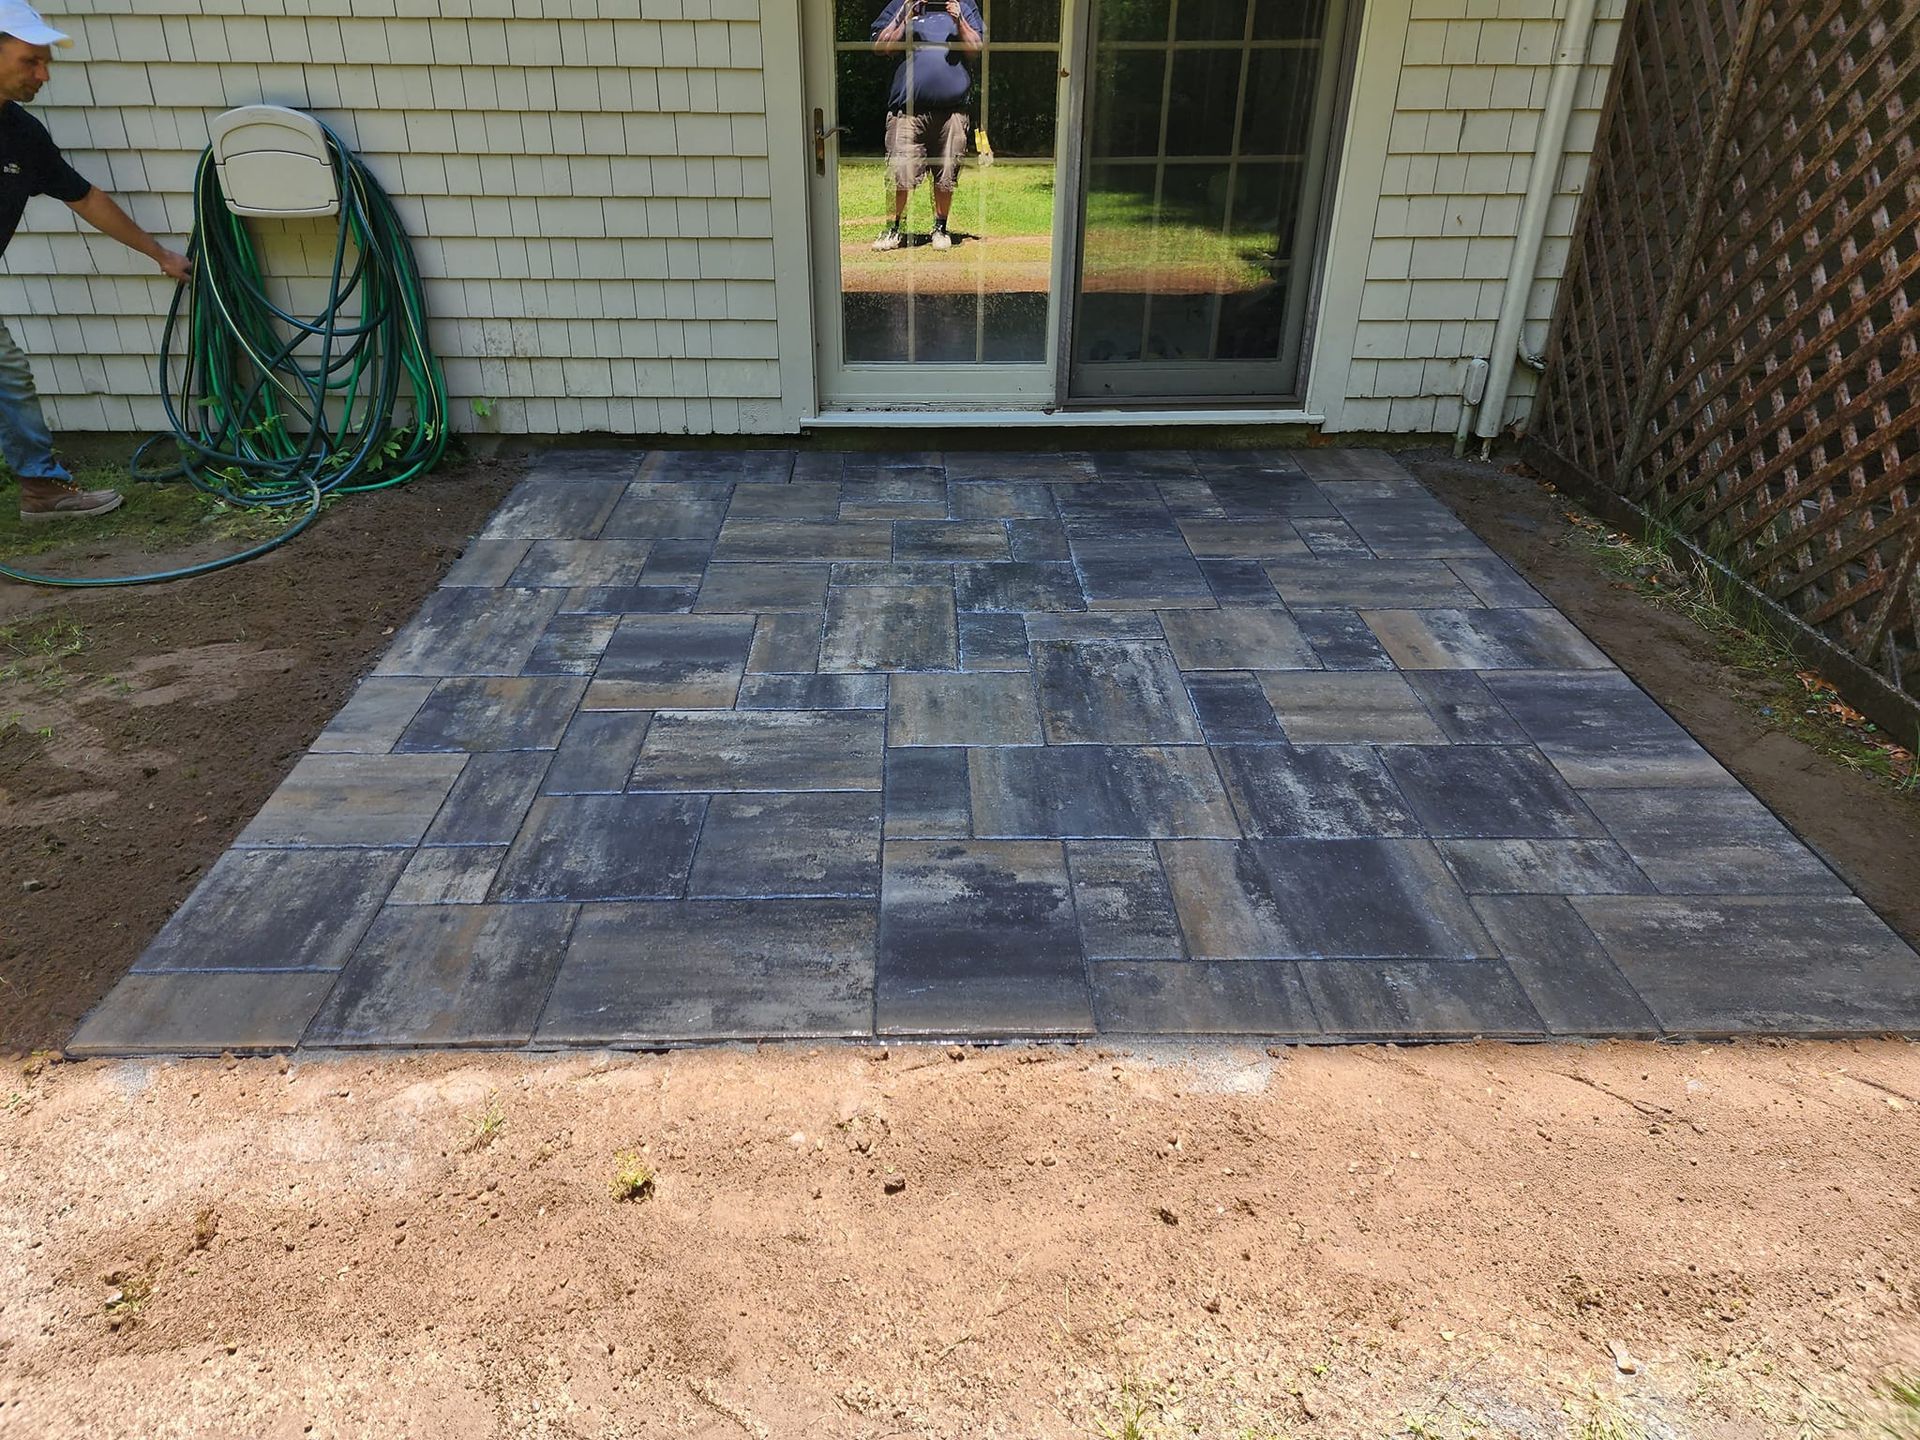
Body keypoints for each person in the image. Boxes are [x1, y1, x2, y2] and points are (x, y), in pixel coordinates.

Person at [0, 1, 189, 522]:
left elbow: (83, 198)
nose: (41, 75)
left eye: (45, 64)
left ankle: (41, 488)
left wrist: (160, 253)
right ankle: (40, 485)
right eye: (29, 61)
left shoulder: (20, 134)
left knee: (6, 374)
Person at [869, 0, 984, 252]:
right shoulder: (903, 4)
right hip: (907, 112)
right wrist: (904, 19)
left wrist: (960, 21)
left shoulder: (963, 4)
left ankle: (940, 229)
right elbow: (880, 47)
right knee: (900, 173)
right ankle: (893, 230)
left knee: (946, 173)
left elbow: (976, 48)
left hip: (953, 112)